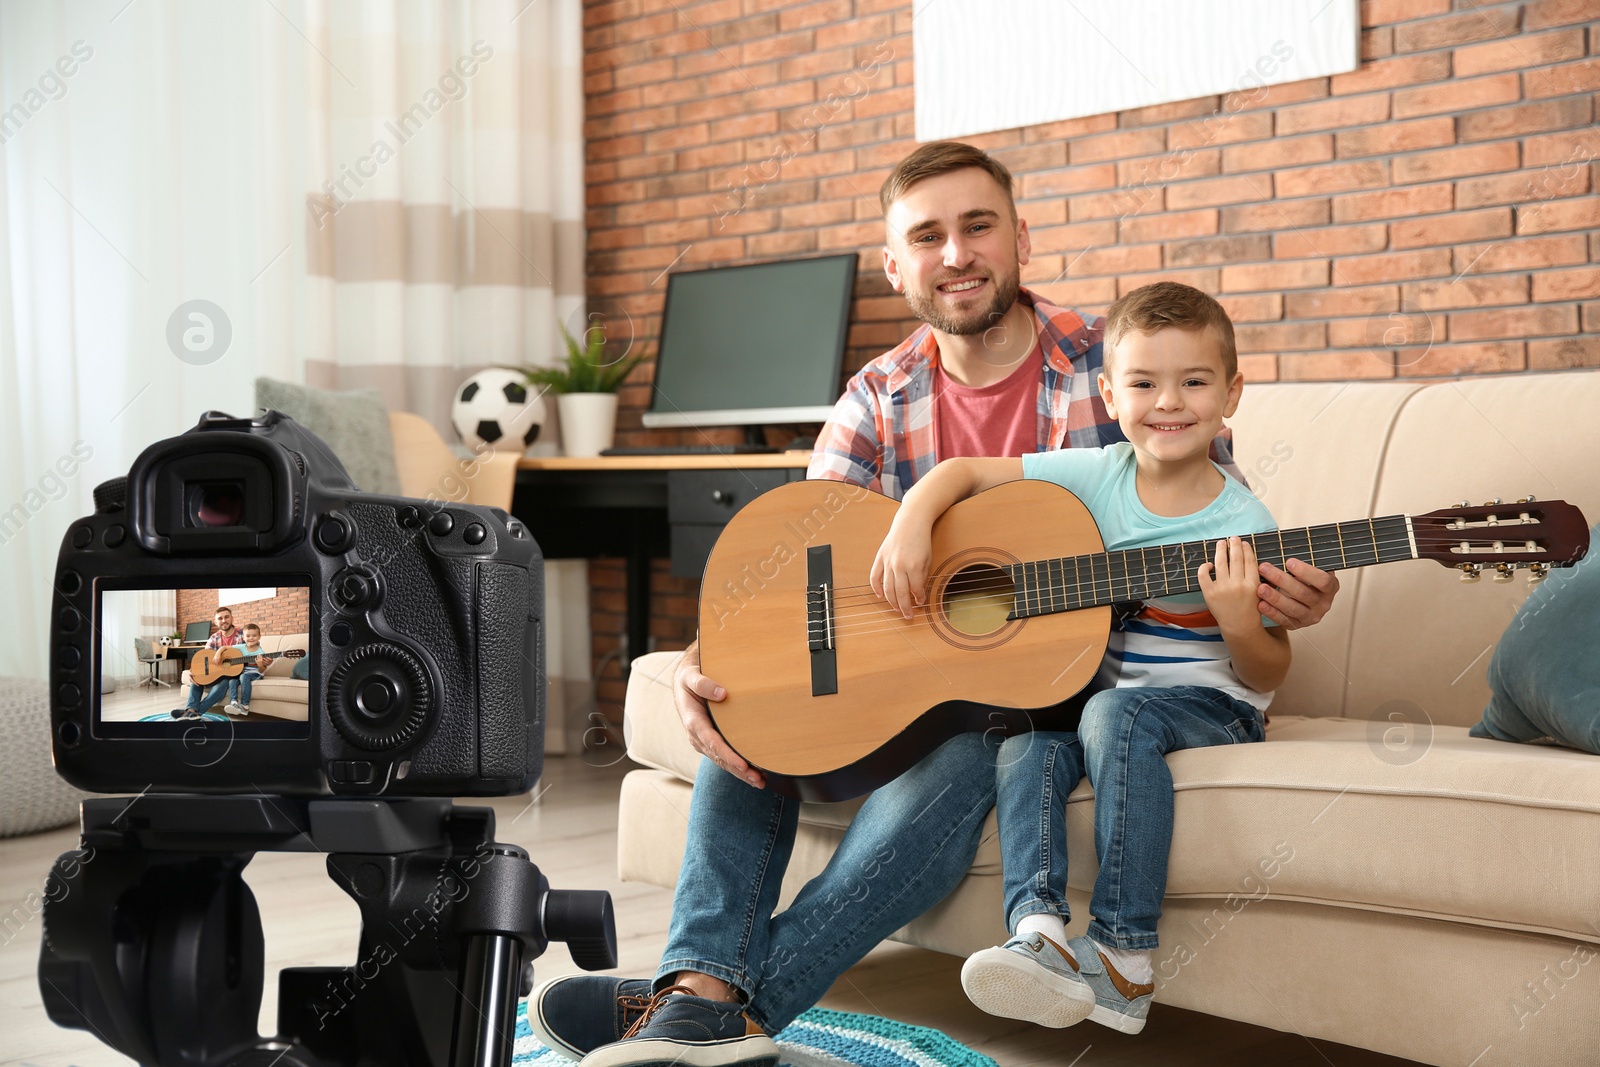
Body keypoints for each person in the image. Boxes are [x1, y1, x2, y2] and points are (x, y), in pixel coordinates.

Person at [530, 142, 1340, 1067]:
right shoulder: (879, 395)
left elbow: (1205, 526)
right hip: (894, 685)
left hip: (1029, 704)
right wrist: (700, 657)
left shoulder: (1114, 368)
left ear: (1019, 238)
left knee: (970, 755)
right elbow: (790, 568)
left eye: (977, 225)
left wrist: (1273, 598)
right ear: (895, 265)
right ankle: (706, 1000)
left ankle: (703, 1009)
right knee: (741, 707)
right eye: (928, 235)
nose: (956, 253)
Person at [872, 281, 1285, 1036]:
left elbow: (1267, 675)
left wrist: (1237, 620)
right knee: (1028, 737)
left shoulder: (1245, 519)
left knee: (1111, 709)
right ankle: (1041, 934)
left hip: (1212, 706)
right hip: (1110, 702)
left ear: (1232, 392)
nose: (1169, 402)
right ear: (1108, 391)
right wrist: (911, 519)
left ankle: (1125, 957)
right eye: (1144, 383)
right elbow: (963, 473)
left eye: (1194, 381)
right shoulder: (1097, 474)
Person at [170, 606, 246, 719]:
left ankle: (193, 713)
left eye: (226, 617)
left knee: (224, 683)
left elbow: (254, 651)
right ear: (216, 622)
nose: (224, 620)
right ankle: (191, 710)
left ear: (232, 618)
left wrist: (261, 661)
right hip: (217, 674)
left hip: (234, 675)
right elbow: (203, 658)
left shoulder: (243, 634)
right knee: (197, 677)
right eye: (220, 618)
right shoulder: (214, 637)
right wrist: (193, 671)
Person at [224, 622, 272, 716]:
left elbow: (262, 670)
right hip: (243, 672)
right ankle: (234, 703)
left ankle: (245, 706)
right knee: (233, 680)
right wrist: (218, 653)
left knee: (243, 676)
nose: (251, 638)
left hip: (256, 673)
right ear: (243, 637)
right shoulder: (241, 647)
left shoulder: (260, 652)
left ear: (259, 637)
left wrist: (259, 664)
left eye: (254, 635)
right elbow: (225, 647)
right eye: (248, 636)